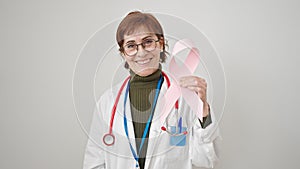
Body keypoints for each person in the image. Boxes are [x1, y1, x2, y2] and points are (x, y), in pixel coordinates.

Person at [83, 11, 220, 169]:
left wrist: (203, 112)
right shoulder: (108, 102)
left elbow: (207, 162)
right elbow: (94, 163)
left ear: (160, 44)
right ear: (123, 53)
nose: (141, 52)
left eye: (147, 42)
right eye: (131, 46)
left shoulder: (186, 96)